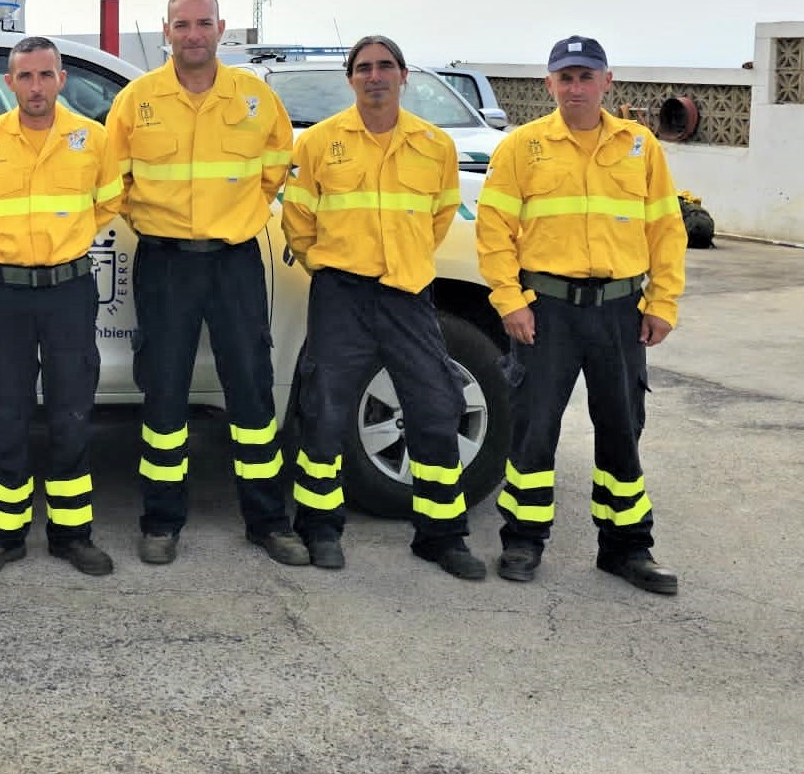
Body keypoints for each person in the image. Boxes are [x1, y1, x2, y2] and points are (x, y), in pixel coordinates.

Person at [104, 0, 306, 567]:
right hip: (165, 263)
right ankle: (161, 522)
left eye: (203, 23)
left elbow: (274, 172)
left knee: (252, 387)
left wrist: (231, 220)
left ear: (221, 29)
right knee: (163, 393)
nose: (193, 35)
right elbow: (114, 181)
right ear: (166, 32)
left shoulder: (255, 99)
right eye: (182, 25)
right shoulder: (137, 100)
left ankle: (268, 521)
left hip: (235, 260)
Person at [477, 35, 686, 594]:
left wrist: (662, 302)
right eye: (565, 77)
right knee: (534, 428)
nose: (575, 87)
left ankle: (626, 548)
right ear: (550, 84)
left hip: (621, 310)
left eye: (585, 76)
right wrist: (510, 300)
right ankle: (522, 539)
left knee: (622, 428)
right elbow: (494, 231)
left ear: (607, 82)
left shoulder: (641, 147)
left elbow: (667, 230)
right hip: (545, 311)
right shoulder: (522, 147)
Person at [280, 35, 485, 579]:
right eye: (365, 68)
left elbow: (440, 218)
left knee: (436, 408)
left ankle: (441, 536)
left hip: (408, 294)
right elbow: (297, 220)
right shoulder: (320, 143)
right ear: (350, 79)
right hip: (341, 294)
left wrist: (407, 260)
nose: (376, 76)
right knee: (324, 412)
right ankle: (319, 528)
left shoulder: (434, 145)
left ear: (403, 76)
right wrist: (326, 265)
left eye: (386, 67)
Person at [0, 37, 123, 580]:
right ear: (10, 82)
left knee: (72, 410)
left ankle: (73, 535)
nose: (36, 87)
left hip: (69, 290)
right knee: (7, 412)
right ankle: (3, 536)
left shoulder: (91, 139)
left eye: (46, 76)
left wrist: (60, 240)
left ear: (62, 79)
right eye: (25, 77)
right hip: (7, 294)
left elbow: (108, 202)